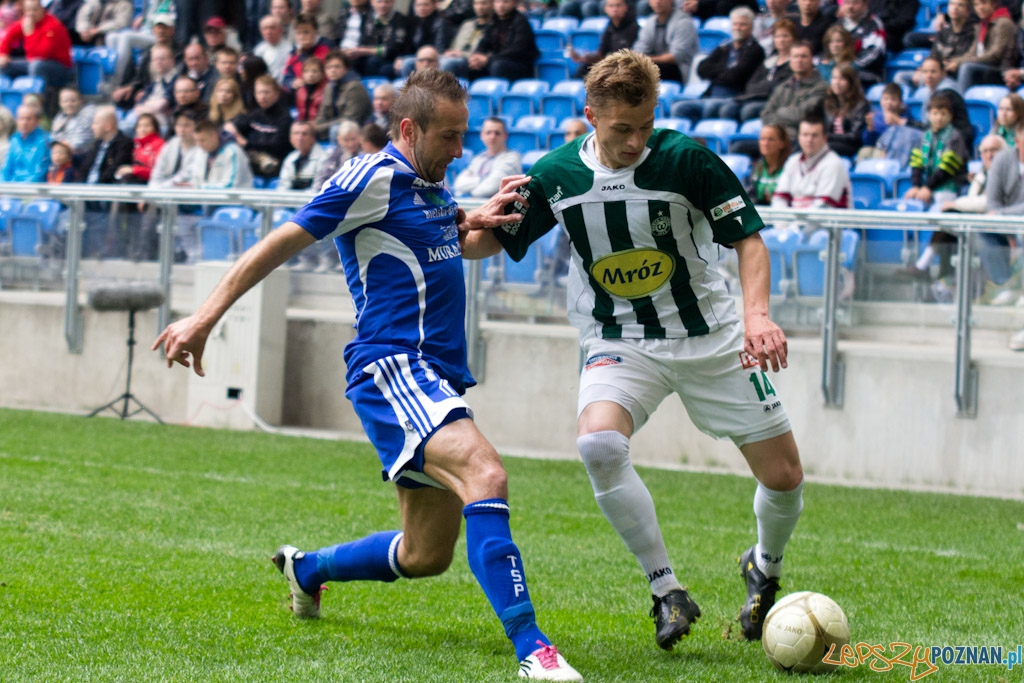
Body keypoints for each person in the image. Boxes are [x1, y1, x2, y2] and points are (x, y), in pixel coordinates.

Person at [151, 68, 584, 682]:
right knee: (485, 473)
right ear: (409, 128)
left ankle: (308, 569)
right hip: (393, 367)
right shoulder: (368, 177)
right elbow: (276, 244)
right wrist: (203, 317)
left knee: (424, 555)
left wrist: (477, 219)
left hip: (435, 377)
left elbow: (447, 243)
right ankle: (533, 650)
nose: (461, 149)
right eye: (451, 136)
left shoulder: (427, 183)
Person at [463, 49, 805, 649]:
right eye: (622, 129)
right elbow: (488, 246)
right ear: (590, 114)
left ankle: (764, 566)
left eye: (646, 126)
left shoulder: (687, 160)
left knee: (784, 477)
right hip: (621, 340)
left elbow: (748, 239)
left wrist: (757, 317)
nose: (635, 141)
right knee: (598, 442)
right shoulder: (555, 175)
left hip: (711, 339)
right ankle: (666, 589)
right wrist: (458, 224)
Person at [671, 7, 764, 121]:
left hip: (734, 97)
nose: (738, 28)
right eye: (735, 24)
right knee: (679, 107)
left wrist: (715, 73)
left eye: (742, 24)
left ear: (751, 27)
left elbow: (735, 77)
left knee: (710, 107)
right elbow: (702, 68)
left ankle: (703, 138)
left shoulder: (755, 50)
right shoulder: (724, 47)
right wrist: (725, 71)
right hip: (710, 94)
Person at [771, 114, 852, 213]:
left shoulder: (833, 163)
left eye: (814, 135)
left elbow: (824, 207)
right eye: (805, 135)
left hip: (829, 226)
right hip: (794, 225)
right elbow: (779, 198)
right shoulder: (793, 161)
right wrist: (782, 225)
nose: (809, 140)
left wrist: (795, 227)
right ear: (799, 137)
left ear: (824, 138)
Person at [903, 93, 969, 210]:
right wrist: (916, 186)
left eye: (943, 114)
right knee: (911, 200)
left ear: (950, 116)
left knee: (939, 205)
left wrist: (928, 187)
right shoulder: (925, 136)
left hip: (948, 186)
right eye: (935, 113)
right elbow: (916, 163)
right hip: (926, 185)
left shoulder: (955, 136)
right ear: (929, 115)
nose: (939, 118)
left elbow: (947, 169)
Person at [224, 74, 293, 178]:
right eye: (258, 92)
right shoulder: (255, 114)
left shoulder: (285, 118)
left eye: (266, 92)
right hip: (253, 156)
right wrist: (233, 131)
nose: (262, 96)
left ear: (276, 94)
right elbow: (231, 126)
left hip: (275, 160)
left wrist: (247, 144)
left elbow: (277, 147)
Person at [760, 40, 828, 141]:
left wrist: (779, 112)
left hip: (803, 139)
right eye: (795, 56)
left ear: (811, 60)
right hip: (777, 138)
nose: (799, 60)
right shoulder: (782, 87)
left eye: (803, 56)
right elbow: (765, 115)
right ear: (790, 60)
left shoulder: (821, 87)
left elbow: (802, 115)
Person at [0, 0, 74, 89]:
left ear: (42, 9)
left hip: (58, 67)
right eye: (28, 10)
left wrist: (30, 34)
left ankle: (36, 98)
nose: (31, 13)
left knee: (36, 65)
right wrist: (3, 53)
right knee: (4, 66)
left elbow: (40, 55)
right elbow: (9, 36)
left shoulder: (52, 26)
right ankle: (8, 98)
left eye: (34, 10)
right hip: (34, 62)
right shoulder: (28, 22)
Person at [949, 0, 1016, 93]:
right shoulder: (982, 25)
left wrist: (961, 62)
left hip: (998, 69)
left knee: (966, 67)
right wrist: (953, 61)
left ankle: (960, 103)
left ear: (993, 4)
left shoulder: (1003, 23)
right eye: (976, 5)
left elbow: (995, 55)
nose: (980, 7)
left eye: (984, 3)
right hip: (983, 65)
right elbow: (972, 52)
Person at [468, 0, 538, 82]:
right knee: (469, 65)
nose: (501, 5)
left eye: (505, 2)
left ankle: (496, 93)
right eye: (497, 2)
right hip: (496, 60)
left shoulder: (521, 22)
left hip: (519, 65)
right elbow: (484, 44)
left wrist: (488, 59)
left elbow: (517, 50)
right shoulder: (493, 22)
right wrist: (476, 57)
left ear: (514, 3)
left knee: (497, 65)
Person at [453, 116, 521, 197]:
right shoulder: (478, 158)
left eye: (497, 133)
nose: (492, 137)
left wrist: (470, 189)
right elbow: (458, 184)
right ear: (482, 135)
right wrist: (483, 179)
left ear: (505, 136)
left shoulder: (512, 159)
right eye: (488, 132)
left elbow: (487, 189)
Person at [858, 82, 922, 169]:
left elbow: (917, 133)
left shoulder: (906, 117)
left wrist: (899, 121)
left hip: (900, 152)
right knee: (864, 151)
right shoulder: (876, 117)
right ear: (880, 101)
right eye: (885, 99)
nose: (889, 102)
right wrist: (870, 129)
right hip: (880, 152)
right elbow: (868, 142)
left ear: (900, 102)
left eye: (893, 99)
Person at [631, 0, 697, 84]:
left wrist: (646, 59)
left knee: (643, 70)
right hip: (655, 65)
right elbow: (639, 49)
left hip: (678, 70)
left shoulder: (684, 22)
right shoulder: (650, 22)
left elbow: (675, 57)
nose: (657, 2)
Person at [569, 0, 638, 78]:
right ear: (605, 9)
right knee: (584, 69)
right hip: (611, 65)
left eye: (618, 5)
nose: (615, 9)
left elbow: (631, 57)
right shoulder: (609, 28)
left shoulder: (634, 29)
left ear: (625, 8)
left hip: (625, 68)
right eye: (611, 6)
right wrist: (584, 58)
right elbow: (601, 54)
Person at [314, 50, 372, 141]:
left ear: (346, 69)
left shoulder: (355, 87)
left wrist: (319, 127)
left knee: (335, 130)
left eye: (337, 67)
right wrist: (314, 126)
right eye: (328, 67)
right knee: (304, 130)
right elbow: (322, 114)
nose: (332, 70)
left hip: (357, 130)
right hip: (332, 127)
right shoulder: (329, 87)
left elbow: (351, 119)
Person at [187, 118, 255, 190]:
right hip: (208, 198)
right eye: (196, 140)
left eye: (202, 140)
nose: (198, 144)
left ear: (214, 136)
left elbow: (230, 186)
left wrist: (200, 187)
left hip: (235, 200)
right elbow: (195, 179)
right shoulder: (200, 152)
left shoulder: (233, 152)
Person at [822, 63, 870, 158]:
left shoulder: (861, 105)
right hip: (829, 142)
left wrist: (829, 136)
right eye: (834, 78)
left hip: (850, 146)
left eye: (842, 79)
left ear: (851, 82)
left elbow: (854, 136)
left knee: (823, 148)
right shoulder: (828, 102)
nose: (837, 82)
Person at [836, 0, 886, 87]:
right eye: (847, 3)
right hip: (841, 70)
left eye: (855, 3)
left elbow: (875, 53)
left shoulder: (874, 24)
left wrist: (852, 66)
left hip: (868, 73)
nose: (850, 7)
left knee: (843, 78)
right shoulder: (839, 25)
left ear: (865, 5)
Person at [441, 0, 492, 78]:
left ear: (492, 5)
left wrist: (461, 54)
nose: (480, 7)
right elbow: (454, 46)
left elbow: (486, 53)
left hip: (470, 60)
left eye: (483, 3)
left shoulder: (494, 26)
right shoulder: (467, 24)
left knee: (447, 63)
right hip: (454, 56)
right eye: (476, 4)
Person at [2, 103, 49, 183]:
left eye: (28, 119)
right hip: (12, 187)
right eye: (21, 118)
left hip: (33, 190)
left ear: (37, 121)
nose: (24, 122)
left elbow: (39, 173)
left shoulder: (44, 141)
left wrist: (19, 189)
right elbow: (7, 168)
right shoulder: (14, 139)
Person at [747, 122, 790, 205]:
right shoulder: (758, 167)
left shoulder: (789, 167)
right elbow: (748, 196)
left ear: (782, 144)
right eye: (762, 139)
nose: (765, 143)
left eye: (771, 139)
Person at [50, 87, 96, 157]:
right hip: (63, 157)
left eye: (73, 101)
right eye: (65, 101)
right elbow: (53, 139)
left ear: (81, 101)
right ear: (60, 103)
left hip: (82, 158)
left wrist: (60, 146)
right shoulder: (60, 116)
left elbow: (79, 144)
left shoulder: (87, 114)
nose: (69, 104)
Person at [254, 15, 294, 81]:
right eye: (265, 28)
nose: (268, 32)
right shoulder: (258, 50)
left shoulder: (290, 49)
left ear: (281, 30)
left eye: (272, 28)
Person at [295, 56, 328, 122]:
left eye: (314, 71)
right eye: (306, 71)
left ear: (322, 74)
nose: (310, 74)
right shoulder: (299, 90)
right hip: (302, 124)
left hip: (319, 125)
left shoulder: (326, 90)